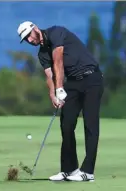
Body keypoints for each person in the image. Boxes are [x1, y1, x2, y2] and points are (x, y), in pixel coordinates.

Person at [17, 21, 104, 182]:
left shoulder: (56, 32)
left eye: (29, 36)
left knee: (90, 124)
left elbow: (58, 60)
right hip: (73, 83)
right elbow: (50, 75)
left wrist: (59, 88)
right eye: (26, 40)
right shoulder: (42, 54)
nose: (30, 41)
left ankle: (88, 172)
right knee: (66, 124)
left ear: (35, 29)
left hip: (92, 78)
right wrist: (53, 94)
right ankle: (69, 169)